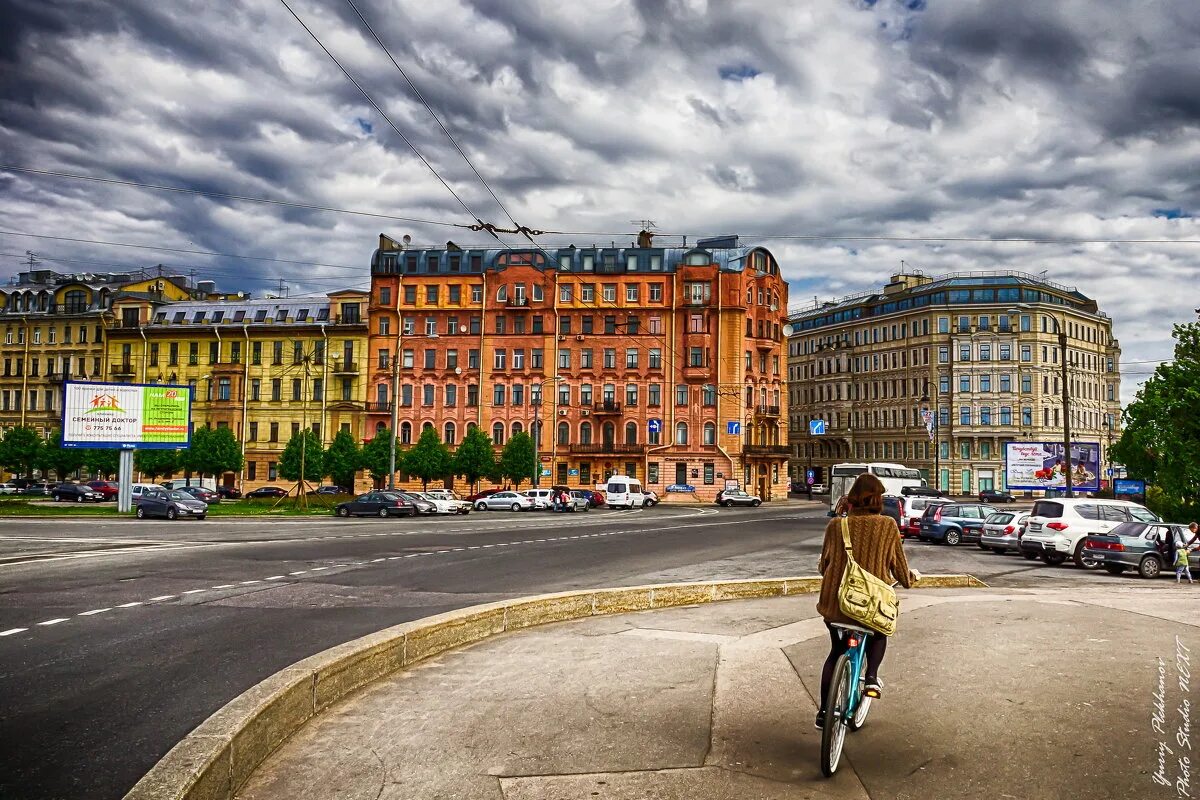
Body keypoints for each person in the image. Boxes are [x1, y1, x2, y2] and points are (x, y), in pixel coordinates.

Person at [815, 473, 919, 729]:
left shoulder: (836, 526)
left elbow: (823, 565)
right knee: (880, 631)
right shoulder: (887, 525)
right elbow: (900, 570)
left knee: (836, 652)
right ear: (877, 499)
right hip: (870, 605)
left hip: (836, 604)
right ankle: (871, 677)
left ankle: (824, 712)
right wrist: (910, 579)